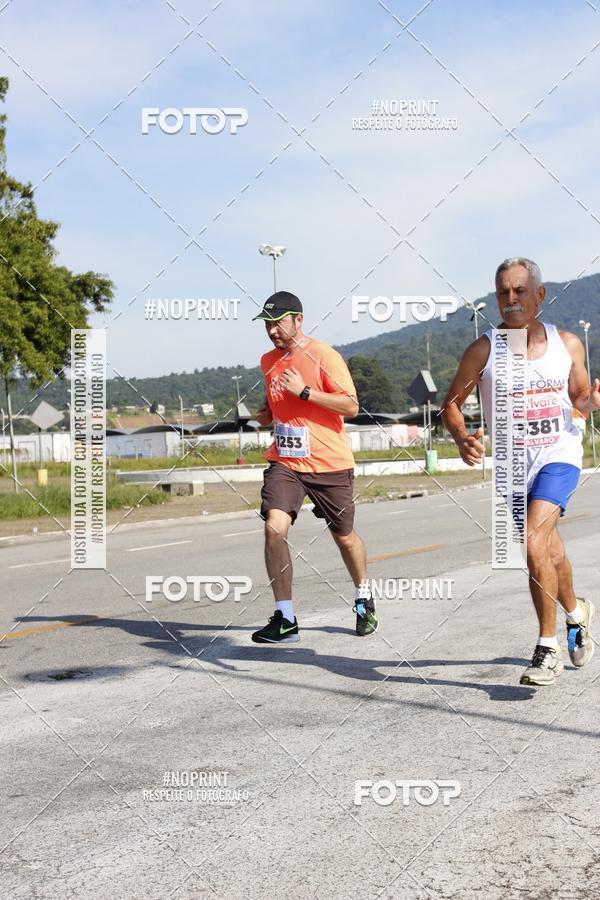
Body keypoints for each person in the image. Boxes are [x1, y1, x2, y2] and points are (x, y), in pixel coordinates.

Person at [442, 257, 598, 686]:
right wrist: (460, 435)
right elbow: (450, 404)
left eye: (520, 291)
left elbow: (580, 395)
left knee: (532, 541)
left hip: (558, 455)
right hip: (513, 466)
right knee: (547, 550)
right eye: (503, 292)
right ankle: (576, 612)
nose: (511, 300)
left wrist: (589, 401)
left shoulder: (567, 344)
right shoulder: (484, 350)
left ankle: (547, 649)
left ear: (540, 295)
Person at [250, 290, 377, 643]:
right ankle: (285, 618)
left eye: (278, 323)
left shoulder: (323, 355)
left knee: (345, 537)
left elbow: (350, 406)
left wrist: (305, 392)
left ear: (298, 320)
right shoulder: (268, 361)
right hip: (286, 461)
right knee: (274, 528)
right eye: (267, 324)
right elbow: (278, 400)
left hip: (328, 463)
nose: (273, 331)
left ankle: (363, 596)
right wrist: (267, 412)